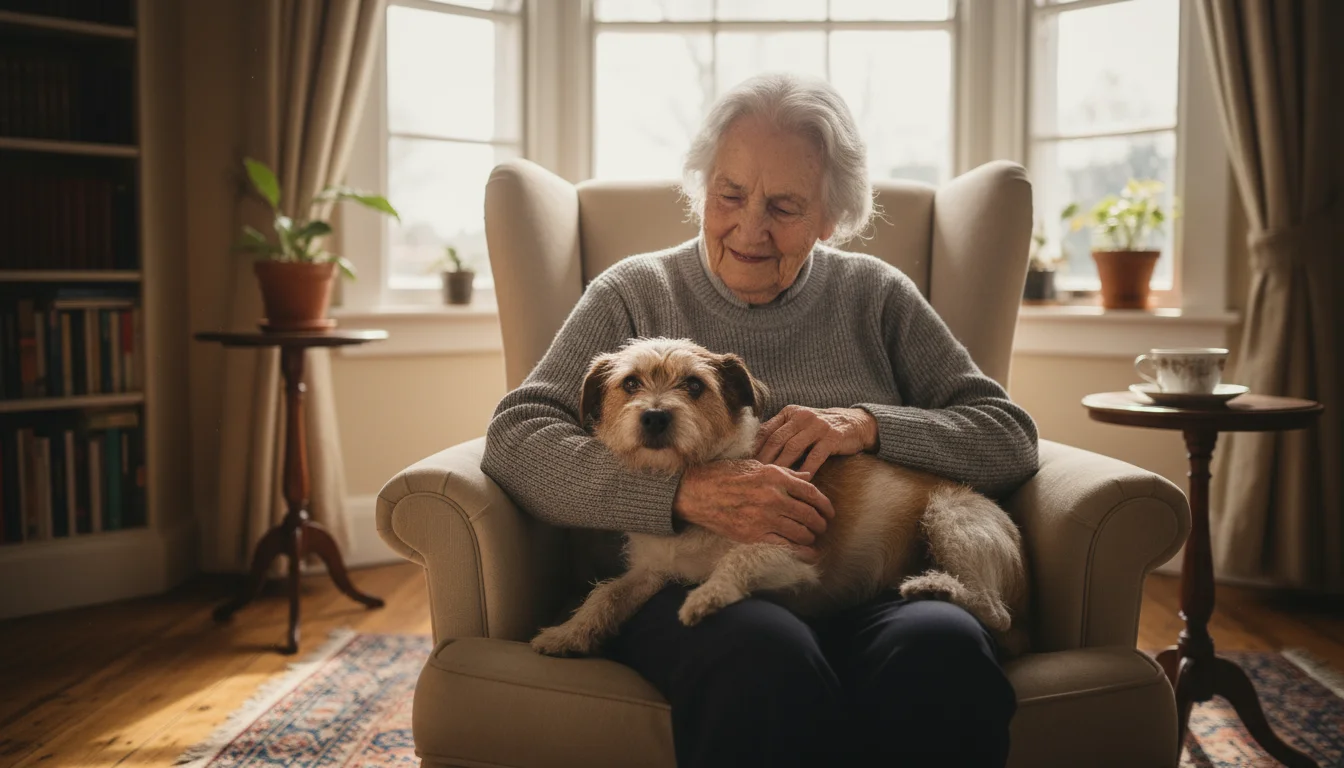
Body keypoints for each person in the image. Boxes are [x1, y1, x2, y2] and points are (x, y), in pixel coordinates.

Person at [481, 72, 1039, 767]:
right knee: (762, 656)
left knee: (944, 650)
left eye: (784, 205)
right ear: (702, 188)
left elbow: (1008, 435)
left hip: (879, 586)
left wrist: (868, 425)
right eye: (730, 194)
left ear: (831, 218)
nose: (750, 228)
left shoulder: (876, 296)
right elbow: (516, 436)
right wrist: (676, 494)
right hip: (685, 587)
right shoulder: (631, 292)